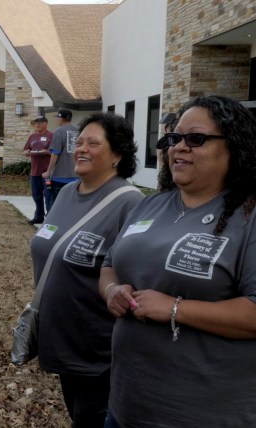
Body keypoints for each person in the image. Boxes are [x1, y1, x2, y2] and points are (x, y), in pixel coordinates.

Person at [100, 95, 256, 428]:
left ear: (235, 147)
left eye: (196, 139)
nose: (179, 147)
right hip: (126, 406)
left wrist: (174, 308)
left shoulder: (249, 216)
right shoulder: (148, 206)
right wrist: (112, 290)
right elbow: (109, 265)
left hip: (203, 413)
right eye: (174, 138)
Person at [31, 112, 142, 428]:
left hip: (98, 351)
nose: (80, 149)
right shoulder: (66, 193)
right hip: (63, 340)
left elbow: (135, 278)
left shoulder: (129, 203)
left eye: (93, 143)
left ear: (117, 155)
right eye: (78, 142)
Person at [43, 108, 79, 210]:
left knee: (55, 206)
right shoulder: (79, 131)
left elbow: (55, 154)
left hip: (60, 177)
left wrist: (48, 172)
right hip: (77, 176)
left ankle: (54, 225)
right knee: (72, 206)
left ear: (61, 119)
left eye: (58, 118)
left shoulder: (59, 131)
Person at [23, 115, 54, 224]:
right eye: (36, 122)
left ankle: (50, 218)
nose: (38, 125)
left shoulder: (51, 136)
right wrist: (26, 152)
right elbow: (26, 150)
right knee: (36, 195)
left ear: (46, 123)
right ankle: (39, 216)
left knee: (48, 195)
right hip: (34, 173)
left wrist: (47, 152)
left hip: (47, 173)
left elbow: (56, 152)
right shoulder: (32, 137)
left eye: (40, 122)